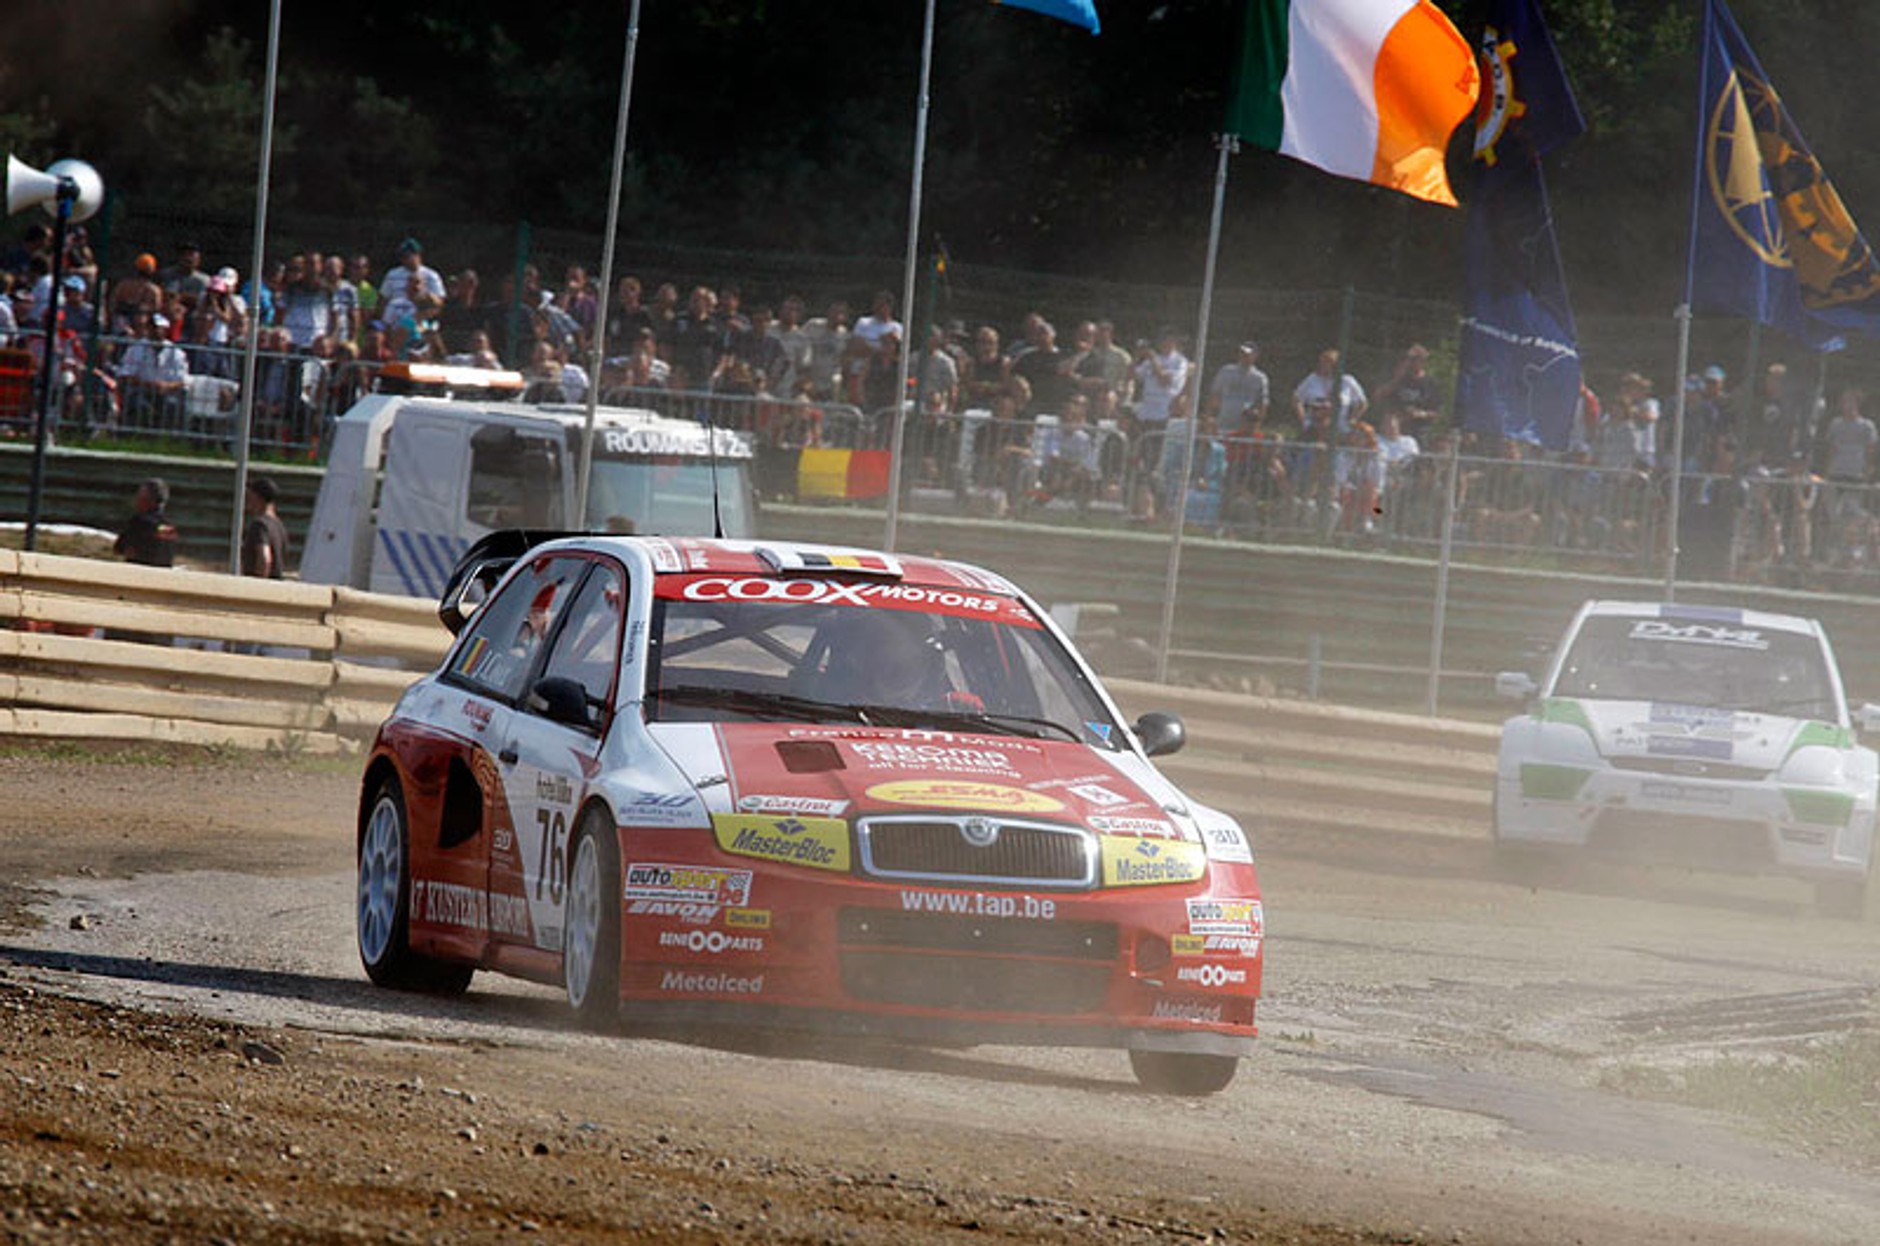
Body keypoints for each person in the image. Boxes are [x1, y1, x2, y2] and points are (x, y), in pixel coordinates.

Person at [115, 477, 178, 568]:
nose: (136, 501)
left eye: (140, 497)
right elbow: (167, 555)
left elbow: (120, 548)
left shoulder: (139, 522)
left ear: (149, 501)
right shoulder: (169, 526)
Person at [241, 475, 290, 580]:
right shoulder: (279, 525)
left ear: (258, 498)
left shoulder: (259, 525)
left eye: (250, 496)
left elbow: (265, 559)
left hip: (260, 585)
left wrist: (258, 584)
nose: (247, 500)